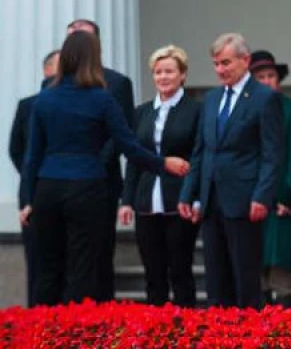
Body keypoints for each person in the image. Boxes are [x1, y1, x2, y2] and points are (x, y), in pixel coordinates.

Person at [20, 32, 188, 305]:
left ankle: (43, 334)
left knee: (48, 268)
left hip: (47, 188)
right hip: (88, 188)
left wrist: (28, 199)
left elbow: (32, 155)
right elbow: (129, 146)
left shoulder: (44, 99)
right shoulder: (101, 99)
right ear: (93, 59)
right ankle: (76, 336)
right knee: (83, 268)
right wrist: (163, 163)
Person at [179, 33, 284, 309]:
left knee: (245, 276)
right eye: (216, 64)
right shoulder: (212, 99)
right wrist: (188, 194)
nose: (220, 70)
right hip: (212, 198)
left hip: (245, 198)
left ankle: (248, 333)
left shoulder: (263, 98)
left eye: (226, 62)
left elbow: (272, 154)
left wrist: (262, 196)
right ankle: (219, 332)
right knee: (215, 276)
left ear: (245, 60)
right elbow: (201, 150)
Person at [118, 45, 202, 306]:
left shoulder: (195, 110)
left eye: (169, 71)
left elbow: (199, 156)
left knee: (180, 270)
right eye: (158, 72)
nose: (163, 77)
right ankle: (156, 329)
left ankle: (187, 331)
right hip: (146, 201)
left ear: (183, 75)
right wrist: (127, 200)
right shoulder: (141, 112)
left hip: (180, 201)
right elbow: (134, 159)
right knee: (153, 273)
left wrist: (196, 198)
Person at [59, 19, 135, 302]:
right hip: (61, 183)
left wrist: (91, 163)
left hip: (100, 182)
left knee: (99, 254)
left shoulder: (116, 83)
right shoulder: (55, 85)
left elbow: (122, 134)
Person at [250, 50, 291, 309]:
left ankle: (286, 329)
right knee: (255, 267)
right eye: (260, 77)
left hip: (282, 200)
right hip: (251, 199)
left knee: (282, 265)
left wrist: (289, 194)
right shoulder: (246, 111)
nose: (266, 81)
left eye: (270, 76)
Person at [8, 49, 60, 306]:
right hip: (34, 193)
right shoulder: (28, 105)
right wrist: (36, 178)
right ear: (47, 70)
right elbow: (16, 150)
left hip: (67, 192)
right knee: (38, 262)